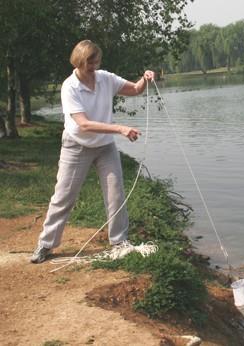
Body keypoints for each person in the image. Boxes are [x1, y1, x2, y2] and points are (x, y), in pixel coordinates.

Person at [31, 40, 155, 263]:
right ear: (78, 60)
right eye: (89, 61)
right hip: (76, 146)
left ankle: (119, 242)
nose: (93, 66)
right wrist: (120, 128)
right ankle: (46, 244)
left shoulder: (106, 78)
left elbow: (135, 90)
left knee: (115, 192)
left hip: (105, 146)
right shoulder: (69, 87)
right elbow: (84, 124)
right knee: (64, 196)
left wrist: (144, 79)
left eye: (96, 61)